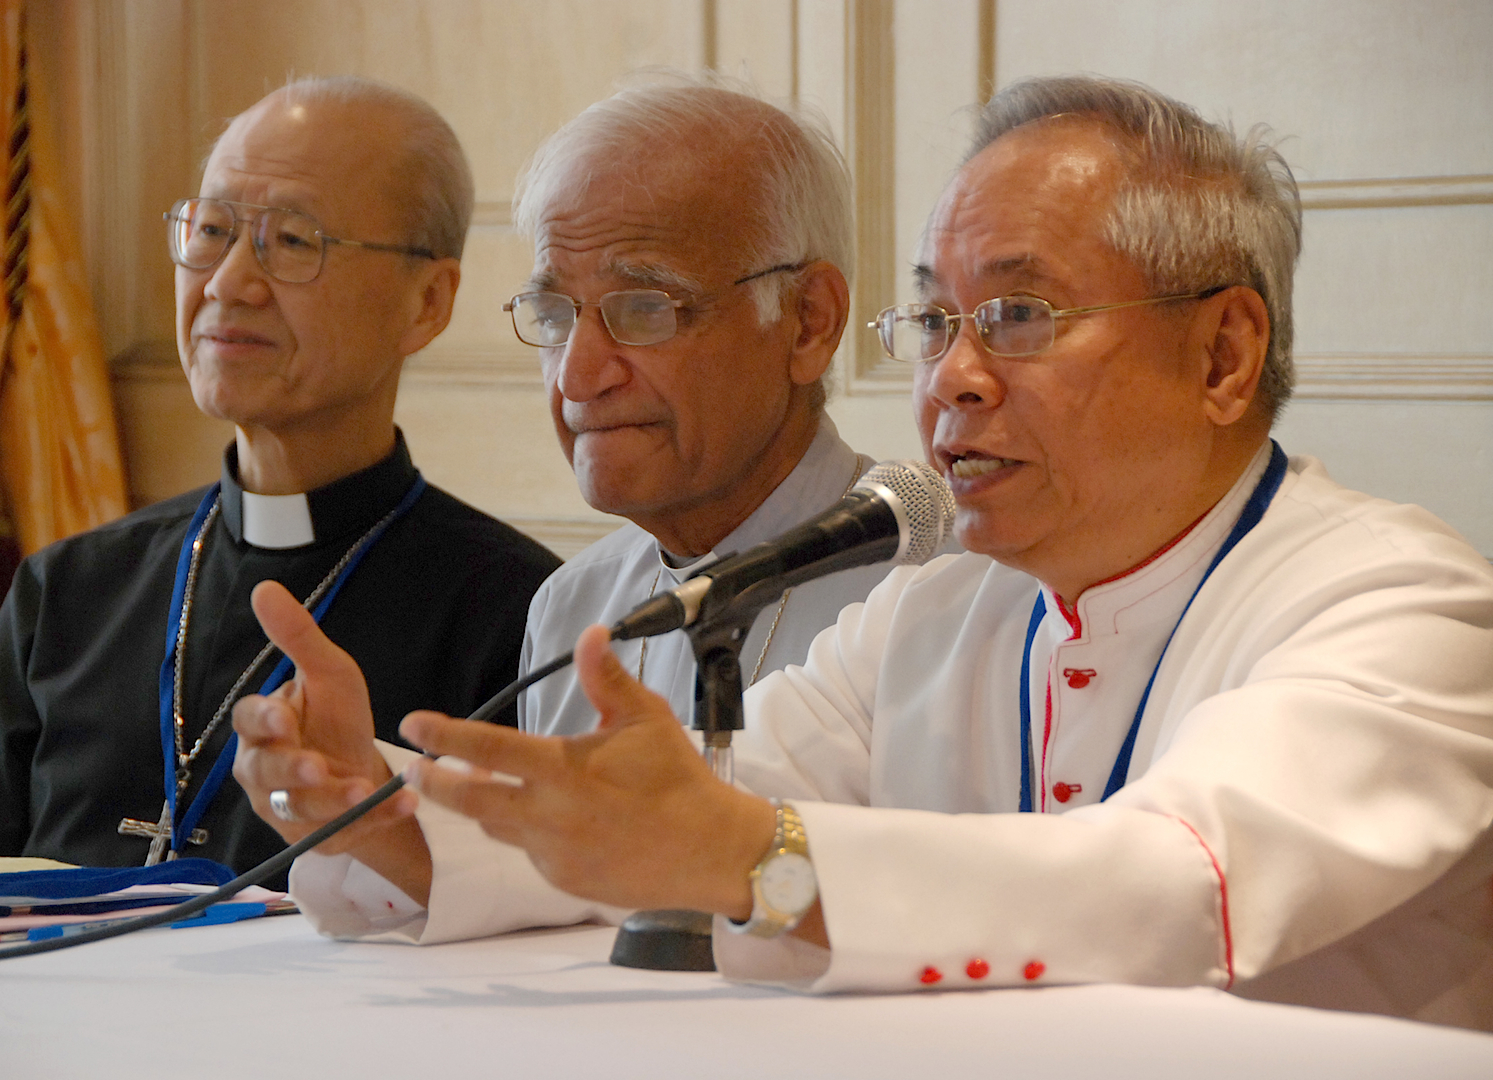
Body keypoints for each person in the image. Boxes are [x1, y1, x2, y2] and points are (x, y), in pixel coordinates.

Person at [236, 75, 1493, 1030]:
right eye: (936, 319)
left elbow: (1173, 881)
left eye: (1014, 315)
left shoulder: (1394, 604)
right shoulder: (938, 605)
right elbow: (667, 827)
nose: (949, 379)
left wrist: (742, 854)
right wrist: (398, 823)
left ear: (1221, 356)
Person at [0, 76, 560, 884]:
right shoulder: (66, 593)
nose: (228, 283)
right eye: (213, 230)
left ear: (426, 302)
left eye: (293, 241)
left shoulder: (514, 618)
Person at [508, 80, 890, 737]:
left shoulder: (938, 598)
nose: (575, 377)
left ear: (808, 323)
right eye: (553, 314)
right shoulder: (573, 611)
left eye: (644, 308)